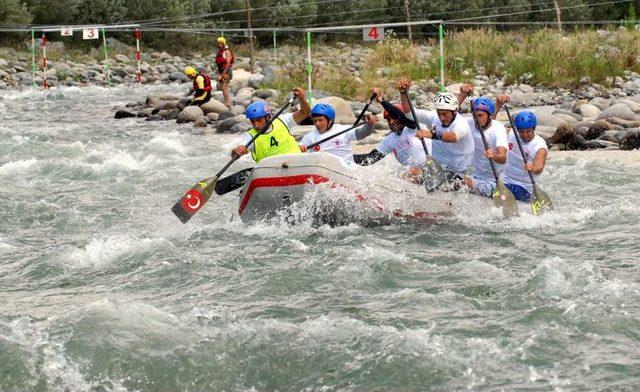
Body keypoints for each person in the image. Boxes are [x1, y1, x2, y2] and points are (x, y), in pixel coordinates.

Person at [397, 79, 474, 185]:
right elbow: (409, 113)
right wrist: (403, 94)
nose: (441, 117)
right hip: (439, 169)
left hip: (458, 172)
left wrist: (432, 134)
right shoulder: (434, 117)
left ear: (455, 111)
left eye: (445, 114)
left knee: (444, 183)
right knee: (409, 174)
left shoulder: (461, 123)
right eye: (439, 113)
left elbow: (454, 137)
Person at [354, 88, 431, 183]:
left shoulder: (413, 127)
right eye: (388, 119)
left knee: (413, 172)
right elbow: (369, 159)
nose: (391, 122)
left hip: (432, 169)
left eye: (394, 118)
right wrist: (346, 156)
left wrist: (380, 100)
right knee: (401, 177)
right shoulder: (390, 140)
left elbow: (400, 115)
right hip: (415, 177)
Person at [232, 87, 310, 163]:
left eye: (259, 120)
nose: (256, 125)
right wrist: (236, 151)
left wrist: (302, 99)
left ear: (268, 117)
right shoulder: (250, 136)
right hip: (271, 171)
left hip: (296, 162)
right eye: (253, 121)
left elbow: (305, 113)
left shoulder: (282, 120)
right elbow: (235, 155)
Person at [299, 103, 377, 163]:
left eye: (320, 120)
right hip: (322, 170)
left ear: (330, 120)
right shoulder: (309, 137)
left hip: (344, 170)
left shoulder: (343, 130)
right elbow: (296, 151)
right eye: (315, 121)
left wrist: (370, 124)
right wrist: (300, 149)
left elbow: (363, 133)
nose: (317, 124)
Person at [463, 96, 509, 197]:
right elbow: (452, 120)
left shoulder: (498, 129)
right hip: (475, 176)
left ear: (490, 116)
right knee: (454, 179)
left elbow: (503, 158)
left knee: (462, 182)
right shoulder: (469, 123)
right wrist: (462, 96)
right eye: (474, 115)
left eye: (480, 115)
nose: (476, 119)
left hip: (495, 182)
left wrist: (494, 155)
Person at [502, 110, 549, 202]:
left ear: (533, 129)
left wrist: (532, 167)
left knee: (511, 190)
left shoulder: (539, 145)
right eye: (521, 132)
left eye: (528, 131)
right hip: (505, 181)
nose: (525, 135)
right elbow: (492, 128)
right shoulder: (511, 134)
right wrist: (498, 105)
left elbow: (539, 167)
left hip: (525, 188)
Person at [214, 36, 234, 109]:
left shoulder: (227, 51)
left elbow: (228, 63)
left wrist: (223, 73)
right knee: (223, 87)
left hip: (227, 71)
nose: (219, 45)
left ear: (223, 43)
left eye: (220, 43)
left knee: (223, 87)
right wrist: (219, 73)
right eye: (218, 43)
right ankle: (226, 101)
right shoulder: (220, 52)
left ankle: (227, 103)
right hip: (222, 71)